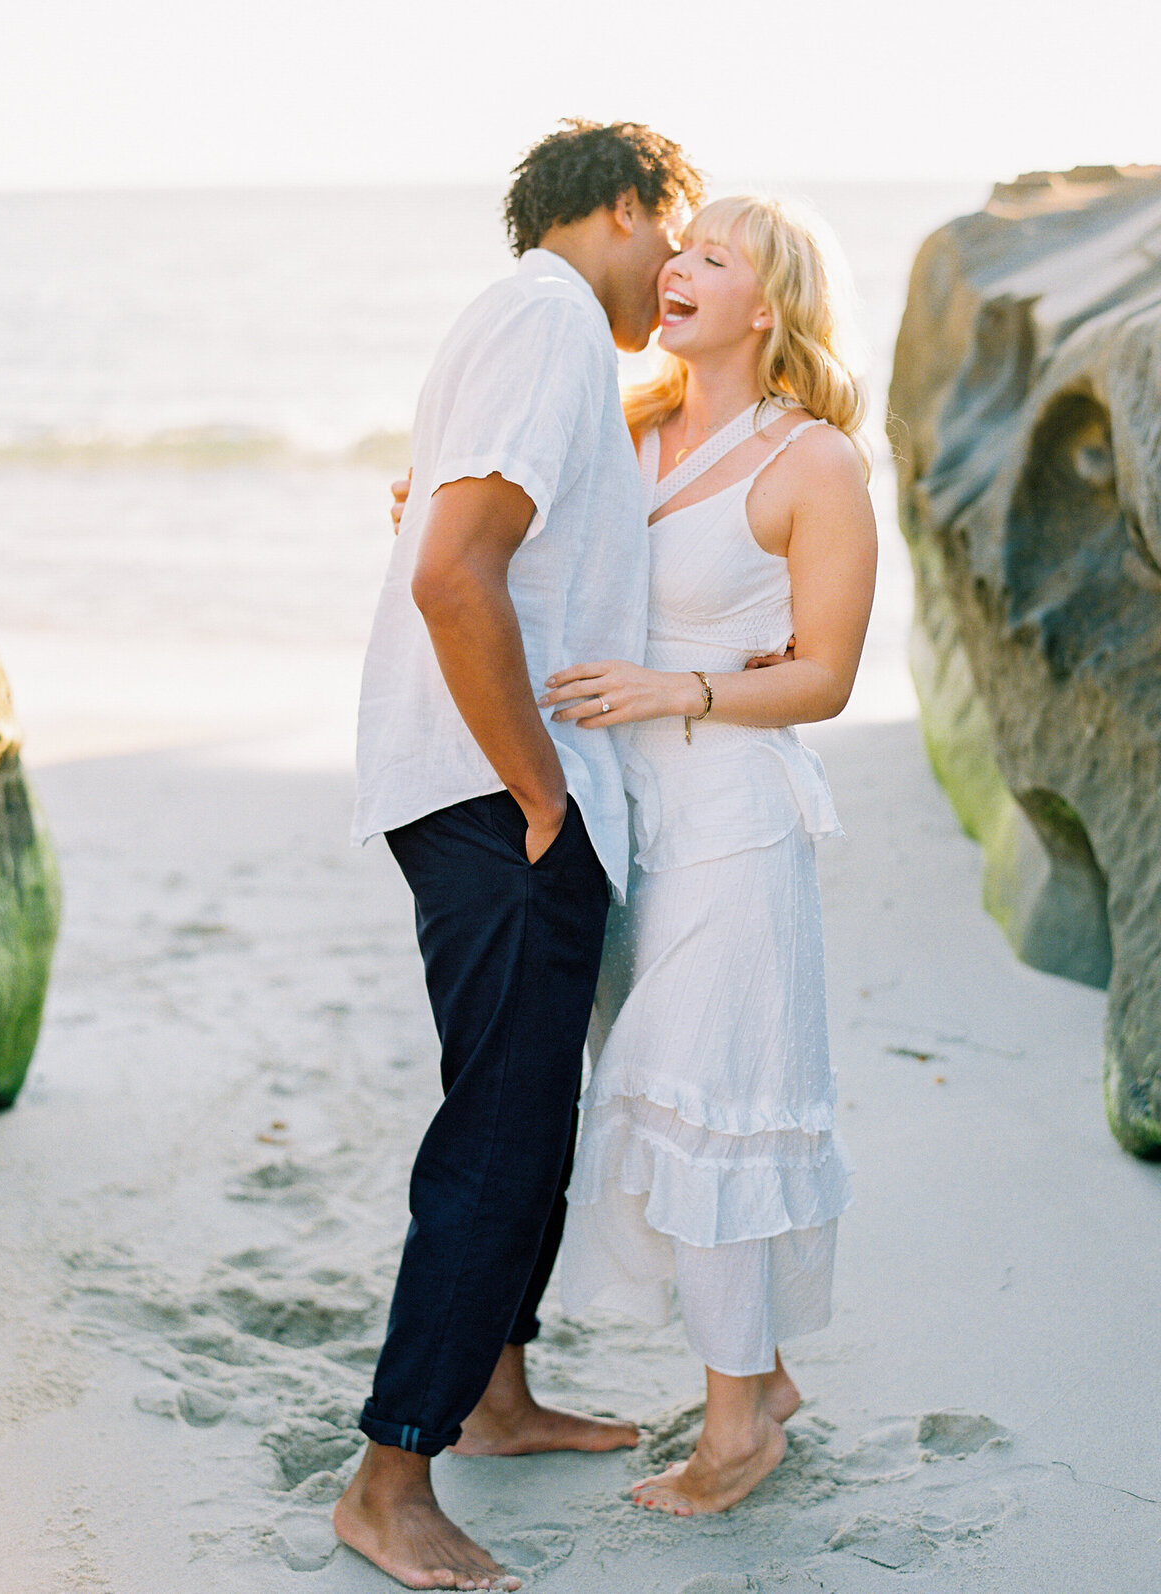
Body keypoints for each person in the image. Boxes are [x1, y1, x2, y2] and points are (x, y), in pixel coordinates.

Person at [334, 121, 704, 1591]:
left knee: (528, 1112)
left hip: (488, 783)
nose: (676, 265)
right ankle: (391, 1473)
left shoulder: (540, 335)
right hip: (499, 790)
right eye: (674, 228)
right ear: (625, 206)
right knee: (498, 1125)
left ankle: (494, 1391)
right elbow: (450, 569)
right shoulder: (551, 322)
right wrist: (541, 786)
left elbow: (461, 529)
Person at [538, 193, 877, 1516]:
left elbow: (830, 676)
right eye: (676, 249)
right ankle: (764, 1375)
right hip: (630, 824)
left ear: (770, 304)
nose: (675, 269)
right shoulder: (629, 426)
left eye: (711, 257)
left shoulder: (814, 465)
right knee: (667, 1099)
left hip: (734, 823)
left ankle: (737, 1431)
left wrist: (680, 688)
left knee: (707, 1097)